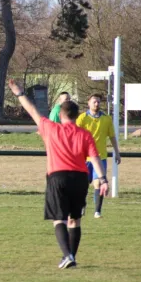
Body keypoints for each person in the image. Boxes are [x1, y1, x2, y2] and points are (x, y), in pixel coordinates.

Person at [8, 79, 108, 269]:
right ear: (77, 116)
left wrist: (19, 93)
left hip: (58, 177)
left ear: (60, 115)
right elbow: (95, 159)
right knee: (75, 219)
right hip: (80, 178)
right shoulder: (85, 134)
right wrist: (102, 179)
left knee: (58, 219)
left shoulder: (50, 128)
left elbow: (32, 111)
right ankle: (71, 257)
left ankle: (67, 255)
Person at [76, 93, 121, 218]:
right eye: (94, 101)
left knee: (98, 183)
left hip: (100, 157)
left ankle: (97, 211)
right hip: (84, 158)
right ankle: (81, 207)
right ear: (89, 103)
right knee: (83, 184)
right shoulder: (82, 118)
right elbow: (75, 135)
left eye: (98, 102)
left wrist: (117, 152)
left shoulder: (106, 119)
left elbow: (112, 137)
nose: (97, 104)